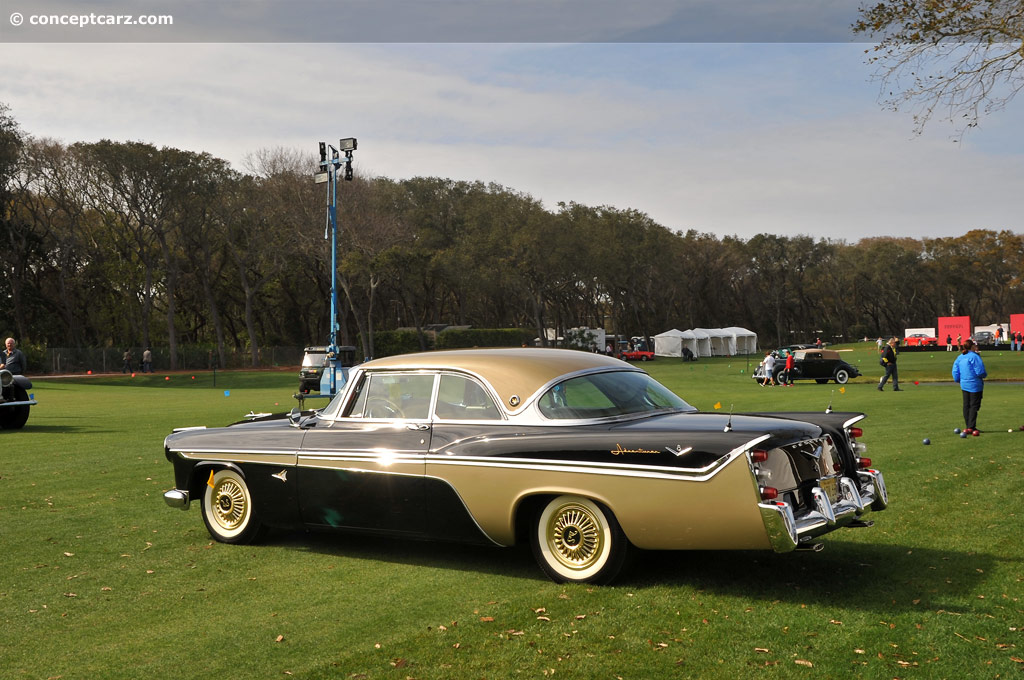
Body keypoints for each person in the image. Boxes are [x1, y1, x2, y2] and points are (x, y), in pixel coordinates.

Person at [952, 339, 987, 435]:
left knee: (966, 405)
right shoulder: (974, 357)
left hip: (964, 384)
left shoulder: (960, 357)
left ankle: (968, 426)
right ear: (972, 347)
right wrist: (984, 375)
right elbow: (980, 371)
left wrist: (958, 380)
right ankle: (971, 427)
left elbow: (955, 371)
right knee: (974, 406)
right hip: (975, 384)